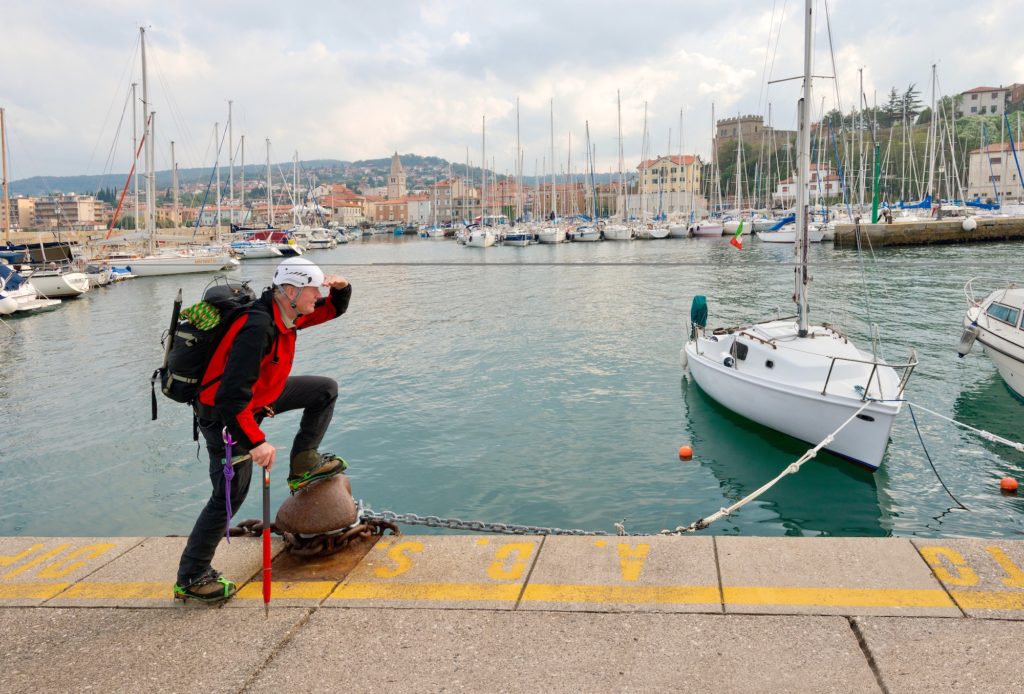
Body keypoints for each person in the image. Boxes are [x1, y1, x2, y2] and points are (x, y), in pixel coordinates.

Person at [173, 257, 352, 604]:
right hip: (226, 418)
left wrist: (341, 291)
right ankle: (191, 576)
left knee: (324, 390)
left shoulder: (286, 312)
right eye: (314, 289)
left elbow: (330, 311)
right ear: (290, 290)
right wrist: (256, 442)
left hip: (259, 399)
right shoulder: (257, 327)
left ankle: (304, 464)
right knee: (227, 498)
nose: (318, 295)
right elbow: (229, 398)